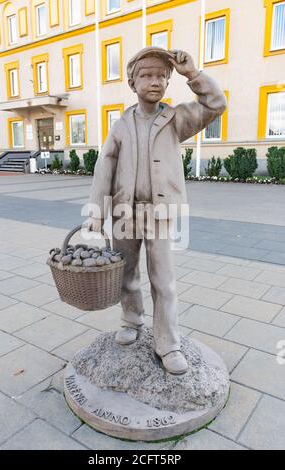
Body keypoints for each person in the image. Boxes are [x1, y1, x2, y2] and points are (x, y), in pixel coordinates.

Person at [87, 46, 227, 374]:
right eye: (146, 75)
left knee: (163, 280)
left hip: (160, 214)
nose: (155, 82)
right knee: (126, 273)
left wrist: (192, 73)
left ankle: (168, 344)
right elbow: (104, 165)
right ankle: (131, 320)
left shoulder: (176, 118)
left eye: (161, 76)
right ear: (132, 83)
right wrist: (97, 210)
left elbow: (216, 104)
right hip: (124, 213)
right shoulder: (121, 124)